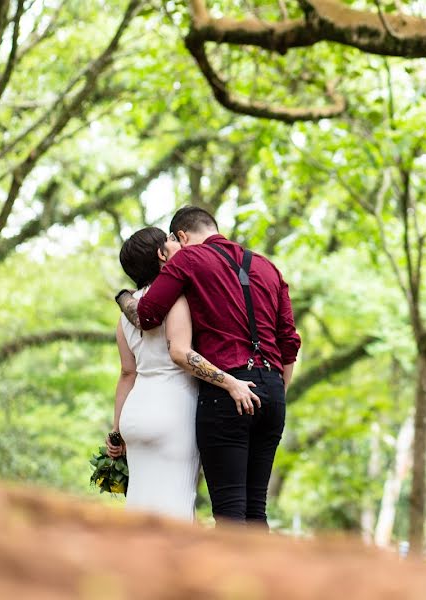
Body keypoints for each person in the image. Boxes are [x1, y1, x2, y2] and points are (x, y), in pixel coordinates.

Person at [115, 207, 301, 528]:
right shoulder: (269, 268)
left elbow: (147, 316)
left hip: (226, 392)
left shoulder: (189, 260)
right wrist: (275, 393)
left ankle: (233, 578)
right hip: (272, 389)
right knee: (256, 508)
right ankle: (265, 577)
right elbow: (289, 343)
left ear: (182, 237)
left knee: (229, 510)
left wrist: (122, 296)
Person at [107, 227, 259, 522]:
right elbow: (180, 352)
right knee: (176, 500)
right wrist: (230, 382)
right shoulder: (176, 298)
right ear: (161, 255)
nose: (177, 243)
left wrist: (117, 432)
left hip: (135, 415)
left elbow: (127, 373)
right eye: (171, 240)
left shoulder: (126, 314)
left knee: (140, 503)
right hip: (173, 407)